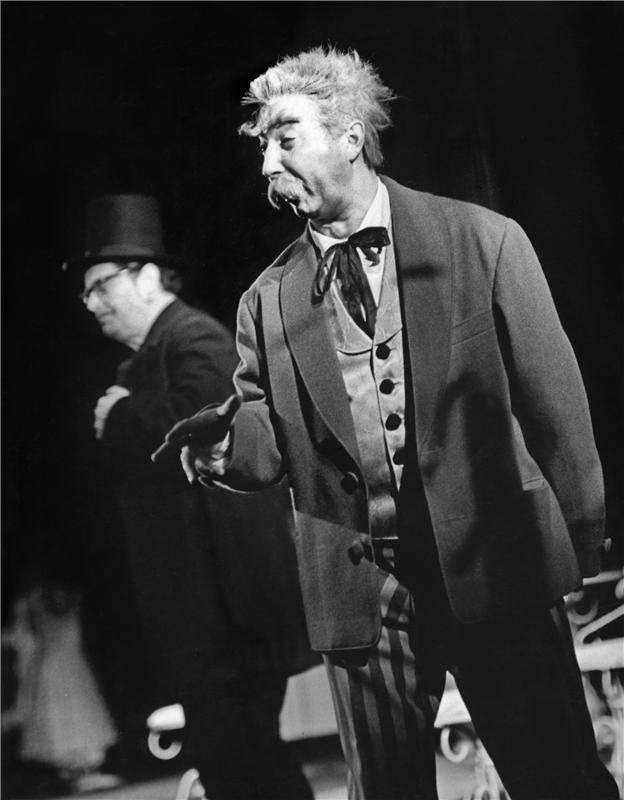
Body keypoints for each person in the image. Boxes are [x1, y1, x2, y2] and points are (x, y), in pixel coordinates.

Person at [155, 47, 619, 800]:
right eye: (262, 148)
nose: (267, 165)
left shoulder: (483, 242)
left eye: (284, 139)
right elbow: (269, 434)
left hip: (497, 569)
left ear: (349, 136)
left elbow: (555, 407)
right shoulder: (266, 300)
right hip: (364, 593)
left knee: (560, 781)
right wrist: (225, 449)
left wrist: (575, 542)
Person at [65, 194, 315, 800]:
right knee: (238, 763)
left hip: (229, 616)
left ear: (149, 277)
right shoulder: (147, 360)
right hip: (202, 617)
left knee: (246, 760)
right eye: (87, 291)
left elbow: (202, 425)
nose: (91, 302)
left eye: (102, 285)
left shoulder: (193, 336)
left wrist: (121, 417)